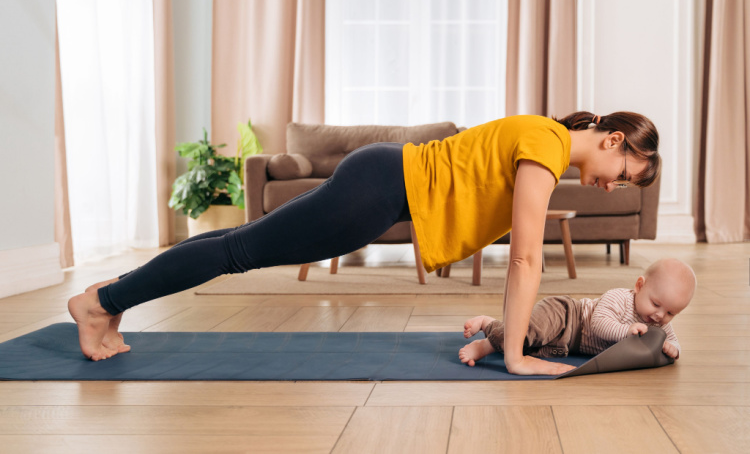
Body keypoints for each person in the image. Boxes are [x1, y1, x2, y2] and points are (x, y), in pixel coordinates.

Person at [68, 111, 661, 375]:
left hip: (380, 180)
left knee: (241, 244)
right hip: (377, 190)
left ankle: (111, 299)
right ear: (613, 140)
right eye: (626, 174)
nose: (615, 186)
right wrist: (514, 355)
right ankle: (100, 304)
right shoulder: (548, 146)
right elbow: (527, 256)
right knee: (238, 253)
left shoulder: (547, 138)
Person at [458, 258, 696, 366]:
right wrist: (626, 330)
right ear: (639, 286)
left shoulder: (659, 323)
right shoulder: (620, 298)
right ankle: (488, 333)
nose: (659, 316)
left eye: (670, 313)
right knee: (530, 332)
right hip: (567, 316)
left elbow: (673, 342)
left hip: (569, 345)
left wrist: (673, 349)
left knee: (531, 349)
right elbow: (598, 324)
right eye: (656, 305)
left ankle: (489, 334)